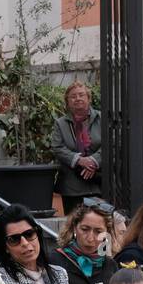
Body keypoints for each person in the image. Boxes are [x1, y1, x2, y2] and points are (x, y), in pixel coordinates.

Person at [50, 81, 101, 214]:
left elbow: (112, 144)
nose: (77, 98)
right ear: (67, 101)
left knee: (101, 226)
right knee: (74, 227)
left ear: (88, 98)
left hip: (99, 184)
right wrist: (79, 160)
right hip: (72, 187)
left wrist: (93, 161)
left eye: (81, 95)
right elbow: (57, 147)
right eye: (73, 96)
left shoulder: (102, 119)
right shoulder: (60, 123)